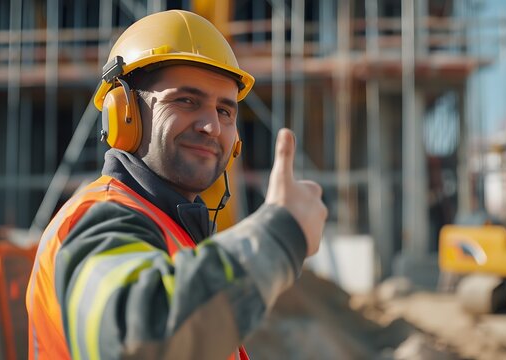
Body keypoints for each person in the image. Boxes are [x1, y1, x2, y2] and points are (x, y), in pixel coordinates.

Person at [26, 9, 327, 360]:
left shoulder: (170, 231)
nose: (211, 126)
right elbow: (136, 342)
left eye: (225, 111)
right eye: (186, 101)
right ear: (124, 114)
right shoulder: (98, 218)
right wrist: (277, 237)